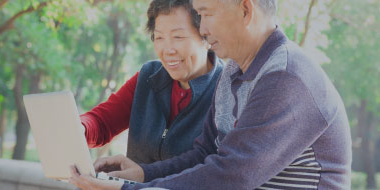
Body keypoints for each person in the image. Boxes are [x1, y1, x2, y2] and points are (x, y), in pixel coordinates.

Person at [69, 0, 352, 189]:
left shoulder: (284, 76)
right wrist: (143, 175)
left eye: (206, 13)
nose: (203, 28)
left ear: (245, 10)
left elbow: (234, 173)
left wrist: (132, 189)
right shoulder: (234, 73)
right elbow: (205, 153)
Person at [79, 0, 224, 164]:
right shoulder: (149, 77)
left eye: (178, 37)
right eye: (159, 37)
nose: (168, 49)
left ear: (206, 37)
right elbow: (102, 123)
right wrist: (80, 128)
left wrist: (143, 177)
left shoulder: (228, 90)